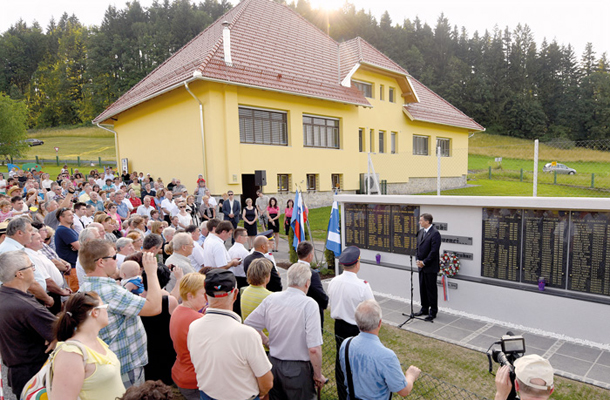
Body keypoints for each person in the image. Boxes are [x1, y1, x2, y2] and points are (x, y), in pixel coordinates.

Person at [79, 239, 163, 388]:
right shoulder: (110, 290)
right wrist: (151, 273)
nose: (117, 261)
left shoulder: (85, 287)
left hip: (113, 363)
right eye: (114, 257)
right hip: (125, 365)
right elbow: (155, 307)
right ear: (101, 262)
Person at [188, 269, 273, 400]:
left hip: (207, 395)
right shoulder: (247, 334)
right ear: (235, 294)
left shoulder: (193, 327)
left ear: (206, 296)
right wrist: (260, 394)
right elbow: (267, 382)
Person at [245, 262, 325, 400]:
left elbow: (249, 324)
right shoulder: (309, 304)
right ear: (307, 283)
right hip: (297, 370)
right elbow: (314, 349)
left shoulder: (272, 299)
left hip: (273, 364)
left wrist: (267, 342)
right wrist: (318, 375)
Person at [49, 292, 126, 400]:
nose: (107, 311)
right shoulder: (71, 353)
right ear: (95, 312)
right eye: (105, 306)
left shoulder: (96, 341)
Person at [0, 251, 56, 397]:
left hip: (19, 373)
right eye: (31, 266)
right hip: (36, 375)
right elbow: (65, 332)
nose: (34, 269)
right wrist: (57, 335)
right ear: (20, 274)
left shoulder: (4, 295)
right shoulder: (27, 307)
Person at [339, 299, 421, 400]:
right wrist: (411, 375)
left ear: (357, 322)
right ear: (380, 323)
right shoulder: (387, 356)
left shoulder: (346, 344)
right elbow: (403, 390)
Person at [328, 246, 374, 400]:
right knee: (357, 365)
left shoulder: (334, 281)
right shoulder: (362, 285)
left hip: (339, 326)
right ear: (357, 263)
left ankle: (343, 395)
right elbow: (372, 309)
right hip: (356, 328)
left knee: (341, 362)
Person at [170, 273, 207, 400]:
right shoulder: (197, 319)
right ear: (190, 296)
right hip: (194, 379)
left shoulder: (178, 310)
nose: (207, 298)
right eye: (204, 294)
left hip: (180, 372)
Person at [414, 213, 441, 321]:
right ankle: (424, 308)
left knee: (431, 289)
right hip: (421, 266)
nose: (419, 222)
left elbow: (434, 251)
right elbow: (418, 247)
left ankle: (433, 311)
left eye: (421, 220)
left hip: (430, 267)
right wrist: (418, 260)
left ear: (427, 221)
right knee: (423, 288)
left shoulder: (435, 233)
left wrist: (424, 262)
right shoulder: (420, 232)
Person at [297, 241, 328, 328]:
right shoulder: (312, 274)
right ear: (310, 255)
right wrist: (325, 301)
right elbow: (319, 294)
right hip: (311, 313)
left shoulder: (292, 268)